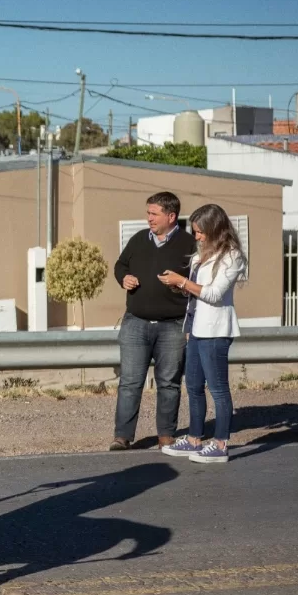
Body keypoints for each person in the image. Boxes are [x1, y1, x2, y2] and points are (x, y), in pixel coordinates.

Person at [157, 204, 246, 464]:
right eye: (195, 231)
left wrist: (182, 282)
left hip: (216, 330)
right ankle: (195, 439)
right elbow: (196, 294)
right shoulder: (200, 256)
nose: (196, 237)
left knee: (218, 389)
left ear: (215, 229)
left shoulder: (232, 256)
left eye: (200, 232)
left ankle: (220, 444)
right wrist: (179, 287)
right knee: (193, 386)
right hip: (196, 328)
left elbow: (214, 294)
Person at [111, 191, 195, 451]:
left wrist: (180, 285)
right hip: (136, 323)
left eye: (153, 214)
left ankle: (166, 436)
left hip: (173, 325)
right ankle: (122, 436)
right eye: (148, 213)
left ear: (171, 216)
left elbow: (199, 282)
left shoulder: (189, 245)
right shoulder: (138, 240)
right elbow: (120, 265)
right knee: (130, 382)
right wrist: (123, 278)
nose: (148, 218)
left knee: (169, 383)